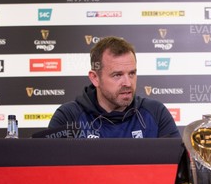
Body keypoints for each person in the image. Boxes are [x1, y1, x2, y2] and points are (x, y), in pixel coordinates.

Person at [48, 36, 180, 138]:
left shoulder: (156, 113)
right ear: (95, 78)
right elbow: (51, 171)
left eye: (132, 73)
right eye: (117, 75)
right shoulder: (68, 117)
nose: (128, 83)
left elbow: (177, 170)